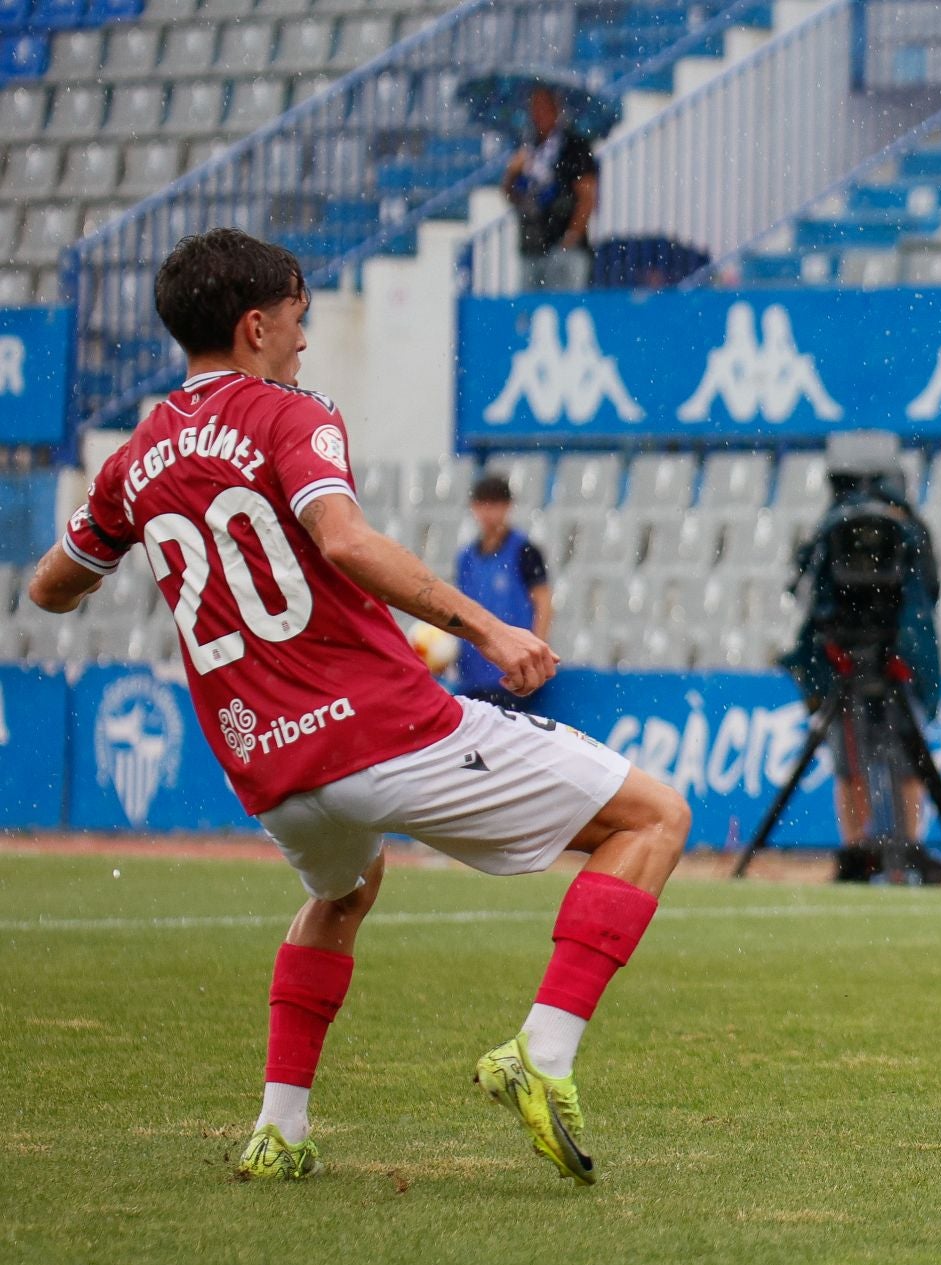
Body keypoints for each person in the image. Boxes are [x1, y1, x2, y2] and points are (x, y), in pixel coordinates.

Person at [26, 229, 690, 1185]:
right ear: (256, 325)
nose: (304, 343)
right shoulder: (290, 414)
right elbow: (341, 541)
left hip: (272, 771)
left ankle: (281, 1129)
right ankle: (540, 1058)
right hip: (386, 732)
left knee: (343, 890)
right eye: (298, 321)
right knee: (655, 817)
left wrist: (106, 539)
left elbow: (52, 588)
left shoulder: (134, 458)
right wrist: (491, 630)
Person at [780, 431, 941, 855]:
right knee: (856, 762)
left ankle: (889, 847)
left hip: (889, 659)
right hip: (852, 661)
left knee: (898, 762)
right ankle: (864, 850)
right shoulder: (894, 529)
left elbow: (808, 594)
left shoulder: (886, 530)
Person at [454, 473, 552, 709]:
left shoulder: (524, 550)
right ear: (473, 507)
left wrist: (535, 654)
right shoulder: (466, 557)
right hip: (473, 672)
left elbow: (544, 602)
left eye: (495, 504)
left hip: (512, 670)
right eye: (482, 504)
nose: (488, 513)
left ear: (508, 507)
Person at [502, 85, 599, 293]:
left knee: (563, 310)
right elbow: (511, 196)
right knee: (531, 314)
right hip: (532, 246)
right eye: (534, 107)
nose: (539, 113)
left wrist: (570, 238)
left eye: (545, 106)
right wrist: (512, 173)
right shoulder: (527, 147)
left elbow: (587, 195)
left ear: (557, 109)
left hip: (565, 249)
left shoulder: (575, 146)